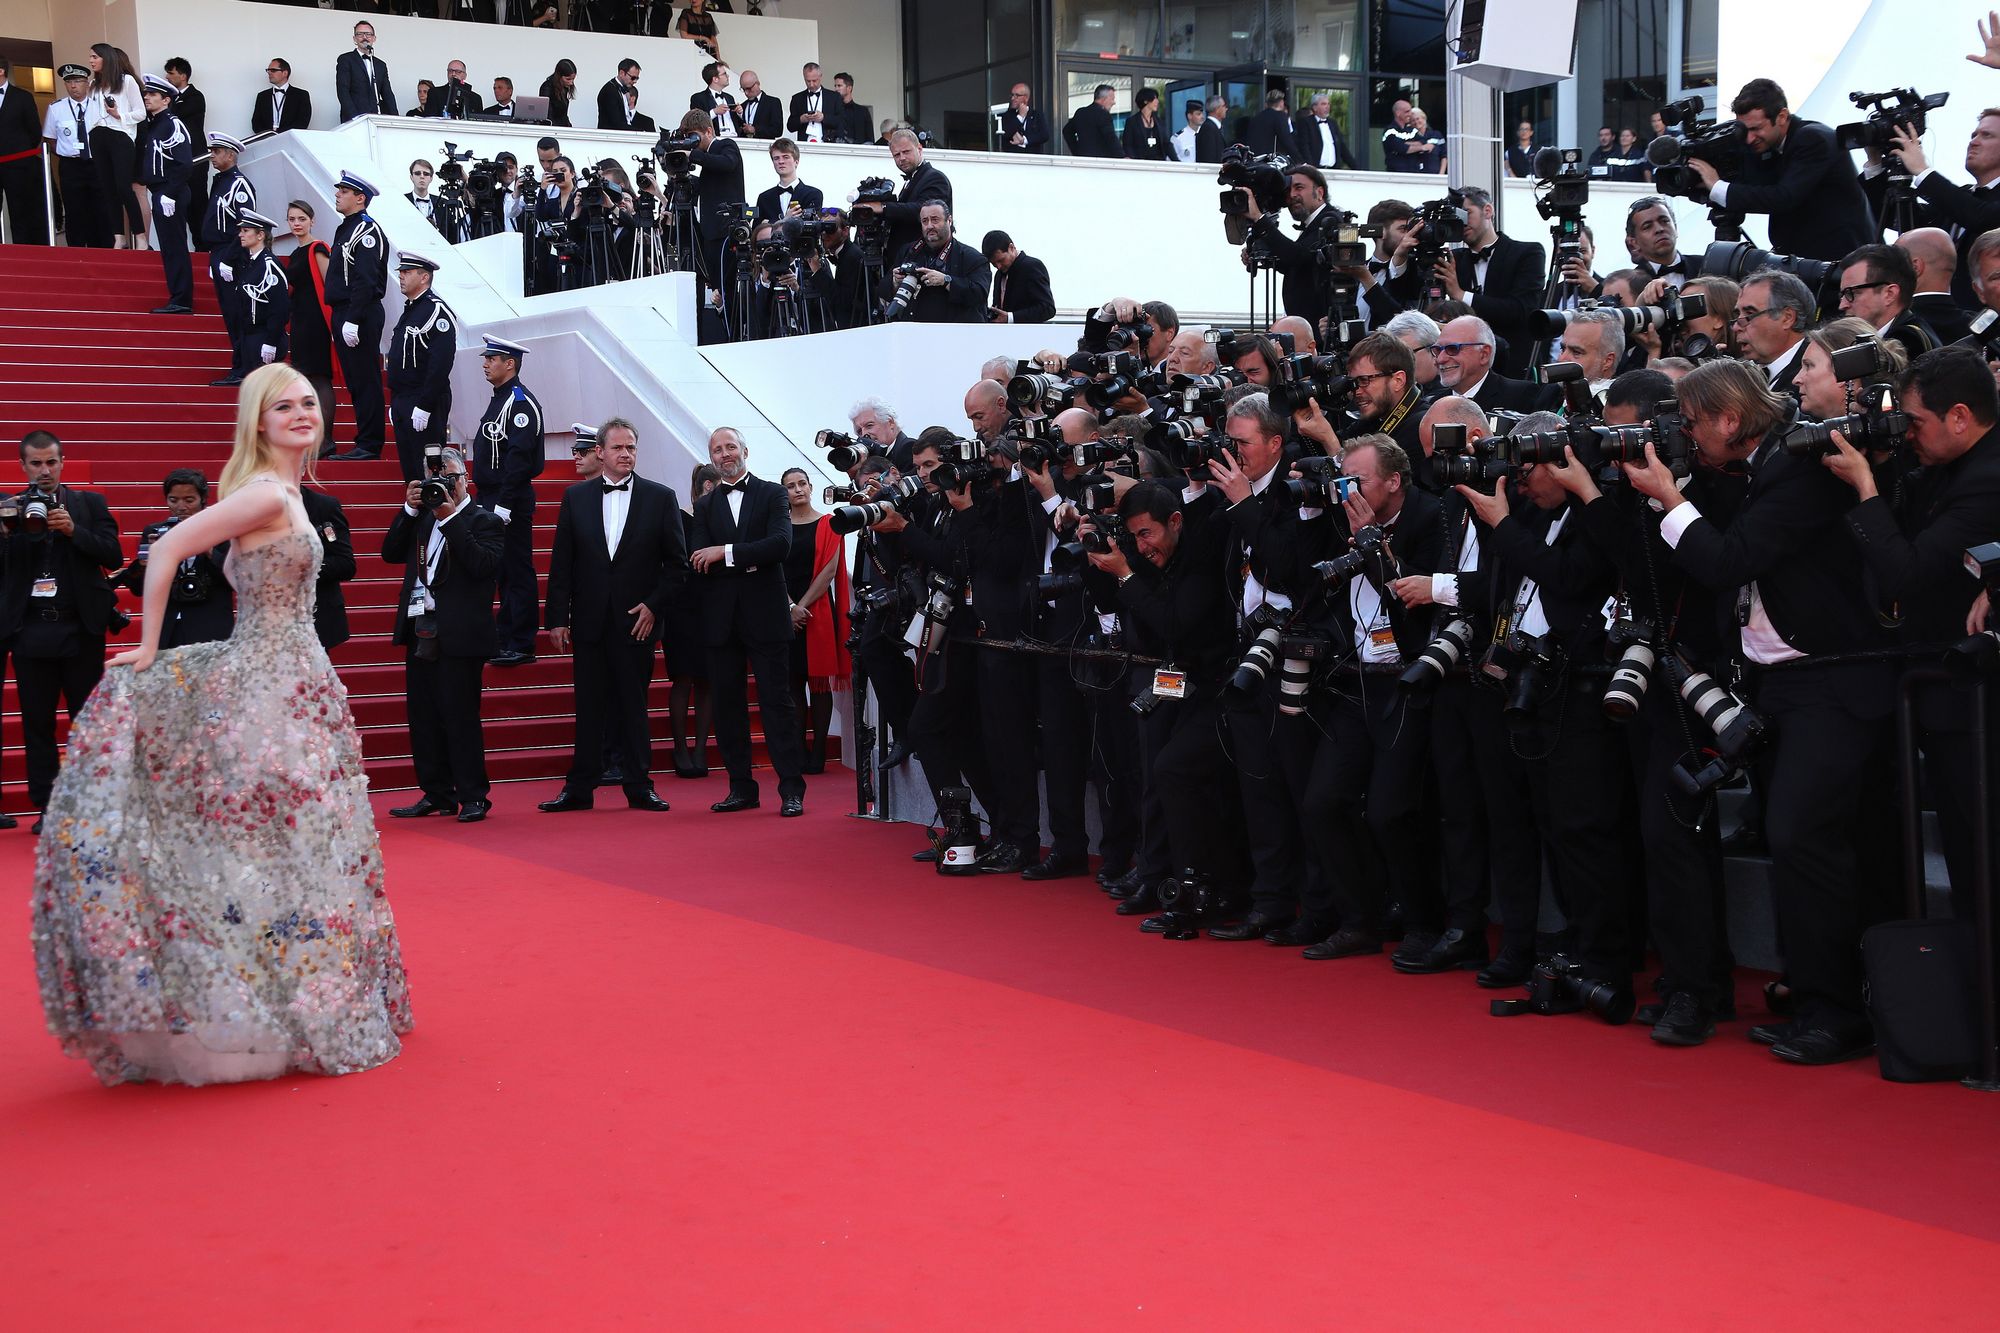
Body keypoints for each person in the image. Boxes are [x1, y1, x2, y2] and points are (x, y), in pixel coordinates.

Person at [31, 365, 412, 1087]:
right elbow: (170, 547)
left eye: (308, 402)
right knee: (284, 846)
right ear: (258, 422)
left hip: (298, 684)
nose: (301, 414)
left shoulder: (294, 491)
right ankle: (272, 1006)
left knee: (301, 846)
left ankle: (291, 1003)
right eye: (283, 407)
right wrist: (149, 645)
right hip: (267, 692)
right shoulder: (266, 493)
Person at [540, 418, 687, 806]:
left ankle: (640, 786)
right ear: (600, 453)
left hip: (636, 623)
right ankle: (579, 788)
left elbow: (677, 566)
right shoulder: (576, 497)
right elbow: (562, 563)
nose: (626, 454)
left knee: (634, 706)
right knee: (588, 706)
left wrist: (654, 606)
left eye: (632, 448)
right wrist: (557, 618)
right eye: (618, 448)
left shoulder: (661, 498)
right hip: (588, 620)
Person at [4, 430, 121, 832]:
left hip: (80, 630)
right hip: (31, 632)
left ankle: (88, 802)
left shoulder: (89, 504)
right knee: (37, 725)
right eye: (35, 463)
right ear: (23, 466)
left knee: (86, 722)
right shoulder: (8, 509)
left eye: (51, 462)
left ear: (62, 462)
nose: (44, 471)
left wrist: (73, 530)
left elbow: (113, 553)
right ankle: (47, 808)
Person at [688, 426, 808, 816]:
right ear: (711, 458)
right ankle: (741, 787)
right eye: (717, 450)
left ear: (745, 450)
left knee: (778, 702)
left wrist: (725, 553)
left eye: (730, 447)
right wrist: (746, 558)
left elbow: (780, 545)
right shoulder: (705, 505)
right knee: (727, 705)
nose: (725, 454)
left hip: (766, 614)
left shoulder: (772, 493)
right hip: (721, 618)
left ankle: (791, 789)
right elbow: (697, 559)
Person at [383, 445, 504, 824]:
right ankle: (436, 793)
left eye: (449, 479)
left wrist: (450, 517)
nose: (443, 487)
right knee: (423, 717)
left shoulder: (487, 521)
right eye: (436, 480)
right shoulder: (421, 519)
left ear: (465, 478)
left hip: (461, 633)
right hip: (421, 628)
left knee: (460, 716)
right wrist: (409, 508)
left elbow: (482, 566)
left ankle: (473, 796)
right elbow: (389, 552)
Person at [1685, 78, 1873, 262]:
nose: (1749, 139)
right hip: (1807, 262)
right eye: (1743, 130)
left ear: (1782, 117)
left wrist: (1718, 186)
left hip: (1844, 263)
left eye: (1756, 128)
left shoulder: (1813, 139)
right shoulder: (1768, 145)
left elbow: (1784, 197)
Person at [471, 336, 546, 667]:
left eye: (492, 358)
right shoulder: (501, 398)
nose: (486, 363)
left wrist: (504, 504)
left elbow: (518, 458)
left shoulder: (519, 403)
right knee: (501, 572)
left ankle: (521, 641)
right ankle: (505, 636)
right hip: (492, 495)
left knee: (516, 570)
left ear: (510, 363)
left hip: (508, 497)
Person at [114, 468, 232, 650]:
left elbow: (235, 580)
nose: (181, 506)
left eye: (189, 500)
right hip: (168, 628)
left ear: (203, 500)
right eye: (173, 500)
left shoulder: (222, 531)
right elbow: (138, 589)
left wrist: (208, 549)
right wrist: (149, 561)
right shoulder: (154, 533)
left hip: (210, 627)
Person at [781, 467, 848, 773]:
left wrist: (801, 606)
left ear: (810, 486)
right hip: (784, 608)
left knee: (819, 685)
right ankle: (796, 749)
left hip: (817, 609)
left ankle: (818, 749)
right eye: (791, 486)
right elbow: (772, 569)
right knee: (792, 682)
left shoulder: (829, 523)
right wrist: (789, 606)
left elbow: (830, 572)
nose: (797, 489)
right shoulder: (778, 527)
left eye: (801, 483)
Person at [323, 172, 389, 463]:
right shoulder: (347, 228)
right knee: (356, 379)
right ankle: (365, 439)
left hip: (357, 311)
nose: (338, 194)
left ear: (360, 198)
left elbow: (365, 279)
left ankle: (370, 443)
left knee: (365, 379)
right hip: (345, 310)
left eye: (344, 191)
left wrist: (354, 317)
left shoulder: (366, 231)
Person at [664, 460, 718, 778]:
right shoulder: (680, 520)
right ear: (700, 492)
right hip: (681, 611)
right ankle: (680, 748)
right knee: (683, 678)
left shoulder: (723, 524)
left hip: (714, 611)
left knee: (707, 681)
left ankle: (700, 749)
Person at [385, 252, 457, 484]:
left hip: (424, 400)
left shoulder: (436, 311)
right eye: (401, 272)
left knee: (429, 470)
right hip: (404, 399)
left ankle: (433, 518)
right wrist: (397, 401)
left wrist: (425, 404)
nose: (401, 277)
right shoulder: (413, 309)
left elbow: (441, 363)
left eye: (407, 272)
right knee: (411, 471)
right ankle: (418, 517)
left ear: (424, 277)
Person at [136, 77, 195, 317]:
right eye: (146, 94)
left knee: (175, 246)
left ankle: (182, 299)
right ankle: (178, 296)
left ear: (166, 99)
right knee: (169, 247)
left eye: (153, 94)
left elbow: (183, 163)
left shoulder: (172, 124)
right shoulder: (154, 123)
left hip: (170, 192)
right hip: (160, 191)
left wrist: (169, 194)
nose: (147, 97)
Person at [284, 200, 337, 458]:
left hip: (316, 322)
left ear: (312, 221)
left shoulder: (318, 248)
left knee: (320, 379)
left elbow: (330, 285)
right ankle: (314, 439)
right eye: (292, 219)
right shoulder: (295, 253)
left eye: (301, 219)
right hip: (300, 322)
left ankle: (326, 440)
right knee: (306, 380)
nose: (296, 224)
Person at [202, 134, 257, 370]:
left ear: (231, 155)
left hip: (232, 255)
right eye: (212, 151)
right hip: (219, 252)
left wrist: (229, 257)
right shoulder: (221, 181)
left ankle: (244, 366)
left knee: (238, 314)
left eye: (217, 151)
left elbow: (247, 226)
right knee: (229, 314)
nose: (212, 156)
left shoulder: (238, 184)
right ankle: (239, 364)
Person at [887, 200, 988, 323]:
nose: (929, 226)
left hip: (954, 335)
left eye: (935, 220)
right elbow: (882, 289)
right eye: (925, 221)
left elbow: (980, 294)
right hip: (912, 333)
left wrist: (946, 281)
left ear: (949, 220)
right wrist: (894, 283)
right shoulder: (909, 251)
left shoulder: (972, 257)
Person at [87, 45, 146, 252]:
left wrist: (120, 115)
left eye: (95, 56)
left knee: (123, 187)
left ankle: (140, 236)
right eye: (91, 57)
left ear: (106, 58)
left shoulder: (126, 81)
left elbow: (141, 113)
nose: (91, 60)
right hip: (98, 136)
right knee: (108, 189)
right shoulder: (94, 84)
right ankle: (119, 236)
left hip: (120, 136)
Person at [43, 64, 105, 250]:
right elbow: (50, 138)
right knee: (74, 209)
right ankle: (76, 251)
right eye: (69, 82)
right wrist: (67, 151)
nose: (73, 86)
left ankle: (101, 250)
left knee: (100, 209)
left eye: (77, 81)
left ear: (87, 83)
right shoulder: (56, 108)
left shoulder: (99, 105)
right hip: (71, 166)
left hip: (97, 164)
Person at [225, 209, 289, 386]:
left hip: (263, 337)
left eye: (246, 231)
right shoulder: (252, 263)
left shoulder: (269, 266)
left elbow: (279, 308)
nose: (241, 235)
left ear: (260, 235)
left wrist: (271, 341)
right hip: (250, 337)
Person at [0, 57, 47, 245]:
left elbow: (34, 131)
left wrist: (18, 151)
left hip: (17, 164)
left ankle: (22, 249)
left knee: (19, 209)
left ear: (1, 70)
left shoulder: (22, 96)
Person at [164, 59, 206, 252]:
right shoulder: (169, 98)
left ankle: (204, 248)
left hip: (194, 158)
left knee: (197, 204)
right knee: (179, 205)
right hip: (175, 160)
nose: (167, 77)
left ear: (183, 75)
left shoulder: (195, 97)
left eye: (171, 73)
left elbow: (174, 116)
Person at [981, 230, 1054, 324]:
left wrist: (1010, 317)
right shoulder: (999, 274)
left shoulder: (1032, 267)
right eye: (993, 263)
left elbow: (1048, 308)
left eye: (1001, 260)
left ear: (1011, 247)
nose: (998, 266)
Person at [336, 20, 397, 121]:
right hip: (353, 119)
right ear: (354, 39)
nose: (364, 37)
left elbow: (387, 94)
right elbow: (343, 91)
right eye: (360, 34)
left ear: (374, 38)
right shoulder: (346, 59)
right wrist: (355, 118)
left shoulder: (380, 65)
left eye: (368, 34)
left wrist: (395, 118)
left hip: (376, 118)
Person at [754, 137, 822, 220]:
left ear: (796, 162)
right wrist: (785, 220)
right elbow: (758, 231)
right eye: (776, 158)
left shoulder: (813, 194)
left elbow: (810, 228)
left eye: (786, 157)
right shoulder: (764, 198)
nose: (781, 161)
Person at [1293, 92, 1357, 171]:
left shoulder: (1332, 123)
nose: (1327, 107)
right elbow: (1304, 146)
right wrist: (1310, 168)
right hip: (1316, 170)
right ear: (1315, 107)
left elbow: (1342, 147)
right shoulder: (1306, 123)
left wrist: (1356, 168)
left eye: (1328, 104)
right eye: (1323, 104)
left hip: (1334, 170)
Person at [251, 57, 312, 134]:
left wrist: (281, 135)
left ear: (285, 73)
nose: (269, 73)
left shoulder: (302, 95)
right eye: (268, 70)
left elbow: (302, 122)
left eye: (273, 70)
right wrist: (268, 135)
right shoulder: (262, 96)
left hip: (291, 141)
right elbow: (256, 122)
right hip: (266, 141)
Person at [787, 62, 841, 145]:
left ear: (820, 76)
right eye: (808, 81)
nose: (811, 85)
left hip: (828, 144)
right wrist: (801, 119)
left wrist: (823, 117)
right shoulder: (797, 98)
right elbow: (790, 126)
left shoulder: (834, 97)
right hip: (804, 145)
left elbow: (841, 122)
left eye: (814, 80)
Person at [1064, 84, 1122, 159]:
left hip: (1083, 160)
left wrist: (1076, 151)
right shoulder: (1103, 114)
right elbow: (1111, 137)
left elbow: (1066, 131)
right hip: (1102, 162)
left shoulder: (1081, 112)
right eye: (1112, 99)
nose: (1114, 102)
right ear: (1104, 99)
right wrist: (1122, 156)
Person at [1241, 88, 1297, 160]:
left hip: (1254, 159)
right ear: (1281, 102)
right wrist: (1300, 160)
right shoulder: (1280, 116)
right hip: (1270, 161)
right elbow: (1287, 141)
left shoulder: (1256, 117)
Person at [1121, 87, 1174, 161]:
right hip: (1141, 165)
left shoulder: (1159, 122)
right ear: (1145, 101)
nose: (1157, 102)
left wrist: (1177, 161)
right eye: (1154, 98)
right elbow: (1127, 145)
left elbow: (1167, 144)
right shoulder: (1132, 122)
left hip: (1158, 164)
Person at [999, 82, 1049, 154]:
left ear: (1026, 98)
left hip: (1033, 159)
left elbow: (1044, 135)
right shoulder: (1006, 115)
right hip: (1012, 159)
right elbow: (1006, 133)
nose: (1013, 98)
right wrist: (1020, 117)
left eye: (1017, 95)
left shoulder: (1036, 115)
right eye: (1012, 95)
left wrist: (1024, 140)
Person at [734, 69, 782, 139]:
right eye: (743, 89)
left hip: (765, 147)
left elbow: (778, 130)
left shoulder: (773, 102)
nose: (746, 93)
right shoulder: (742, 106)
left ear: (758, 84)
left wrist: (755, 130)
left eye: (749, 89)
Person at [598, 58, 642, 131]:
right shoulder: (609, 91)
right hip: (611, 138)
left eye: (637, 78)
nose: (635, 81)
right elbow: (616, 123)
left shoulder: (622, 89)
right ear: (622, 73)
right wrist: (639, 131)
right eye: (633, 78)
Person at [539, 58, 577, 128]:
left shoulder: (564, 88)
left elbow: (563, 115)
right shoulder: (547, 88)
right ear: (559, 76)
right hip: (552, 128)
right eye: (568, 79)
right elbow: (548, 115)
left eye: (573, 79)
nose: (571, 82)